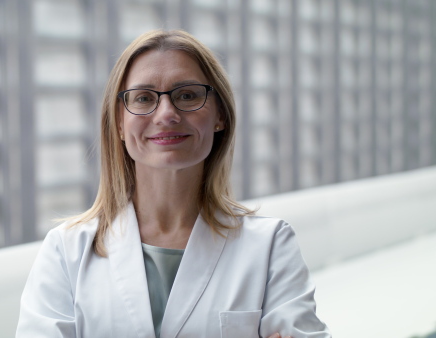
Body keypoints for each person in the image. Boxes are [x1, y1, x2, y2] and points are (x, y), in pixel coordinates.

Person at [16, 30, 330, 338]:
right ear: (120, 124)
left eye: (187, 95)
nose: (167, 114)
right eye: (143, 98)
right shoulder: (65, 251)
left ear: (219, 114)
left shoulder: (270, 244)